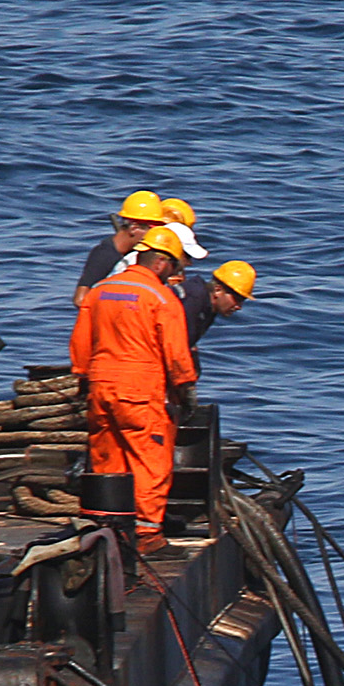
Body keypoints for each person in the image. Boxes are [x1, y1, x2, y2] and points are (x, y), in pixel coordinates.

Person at [71, 223, 196, 548]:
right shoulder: (161, 298)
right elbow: (177, 355)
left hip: (100, 386)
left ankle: (105, 528)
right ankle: (145, 533)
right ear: (161, 263)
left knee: (106, 456)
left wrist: (84, 376)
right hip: (139, 389)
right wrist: (185, 388)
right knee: (149, 458)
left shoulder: (100, 290)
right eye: (174, 265)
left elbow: (81, 343)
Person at [78, 189, 165, 291]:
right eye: (152, 230)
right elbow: (80, 298)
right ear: (134, 228)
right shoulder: (104, 255)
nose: (154, 236)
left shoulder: (132, 253)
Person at [182, 260, 255, 370]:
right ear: (218, 290)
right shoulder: (192, 302)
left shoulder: (207, 306)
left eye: (242, 301)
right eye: (237, 299)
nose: (239, 306)